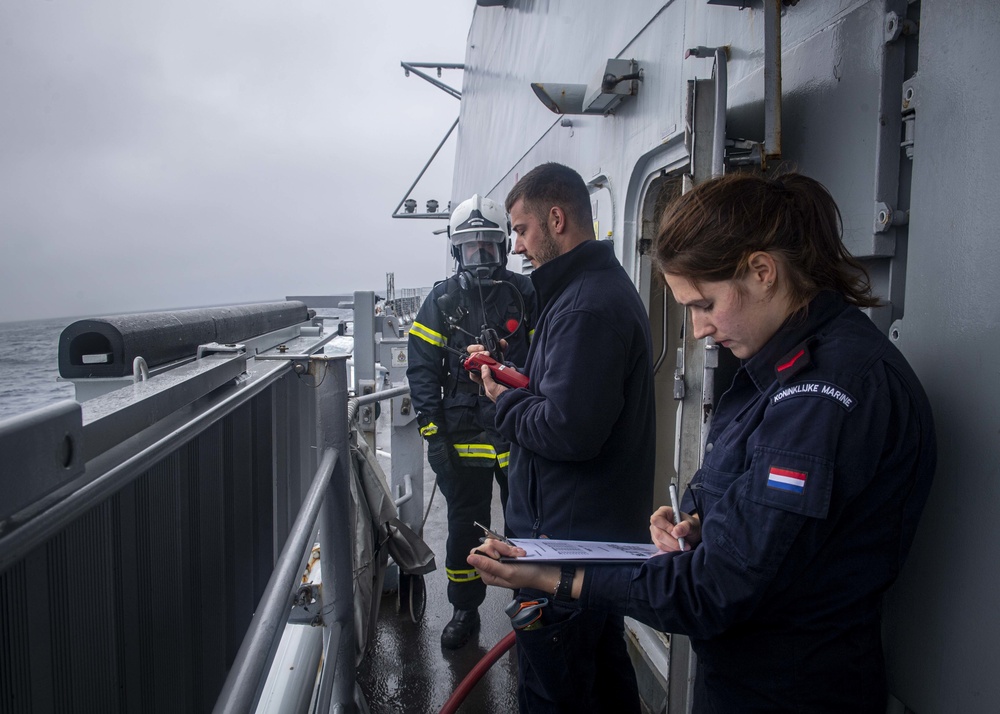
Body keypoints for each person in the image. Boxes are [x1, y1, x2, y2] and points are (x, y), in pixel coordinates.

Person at [470, 172, 937, 713]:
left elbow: (717, 590)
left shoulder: (824, 397)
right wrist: (696, 520)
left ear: (763, 272)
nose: (697, 329)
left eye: (704, 304)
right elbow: (757, 518)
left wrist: (557, 577)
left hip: (790, 690)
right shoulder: (781, 371)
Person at [472, 162, 656, 713]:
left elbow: (568, 431)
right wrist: (521, 380)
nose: (518, 247)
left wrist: (501, 401)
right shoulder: (590, 291)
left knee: (557, 695)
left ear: (556, 219)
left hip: (566, 546)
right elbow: (569, 400)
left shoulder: (584, 306)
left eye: (522, 230)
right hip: (588, 540)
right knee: (601, 684)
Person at [406, 194, 535, 649]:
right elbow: (421, 372)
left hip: (522, 435)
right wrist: (433, 437)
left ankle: (530, 603)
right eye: (472, 247)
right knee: (466, 525)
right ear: (458, 250)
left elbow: (545, 358)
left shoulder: (526, 294)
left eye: (489, 246)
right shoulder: (441, 301)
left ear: (503, 248)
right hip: (462, 441)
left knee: (528, 524)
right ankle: (465, 609)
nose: (481, 256)